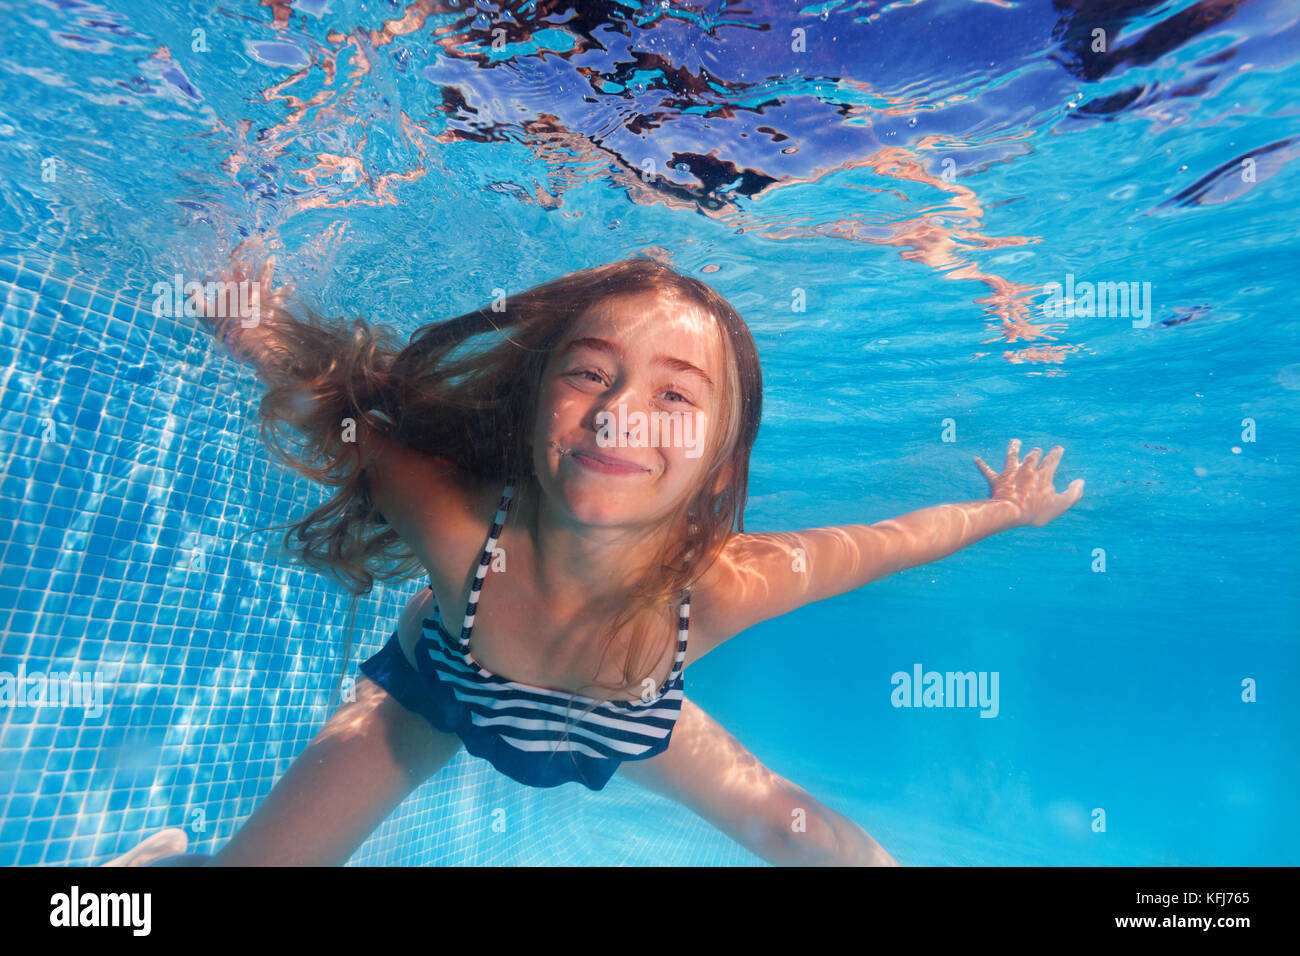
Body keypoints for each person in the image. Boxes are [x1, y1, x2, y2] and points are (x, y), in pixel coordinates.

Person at [106, 250, 1082, 867]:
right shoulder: (457, 529)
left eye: (676, 393)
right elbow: (339, 402)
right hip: (439, 690)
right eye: (587, 372)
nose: (619, 411)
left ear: (717, 469)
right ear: (536, 406)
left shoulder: (726, 585)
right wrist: (250, 320)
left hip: (629, 720)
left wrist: (1004, 509)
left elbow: (898, 540)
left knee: (808, 838)